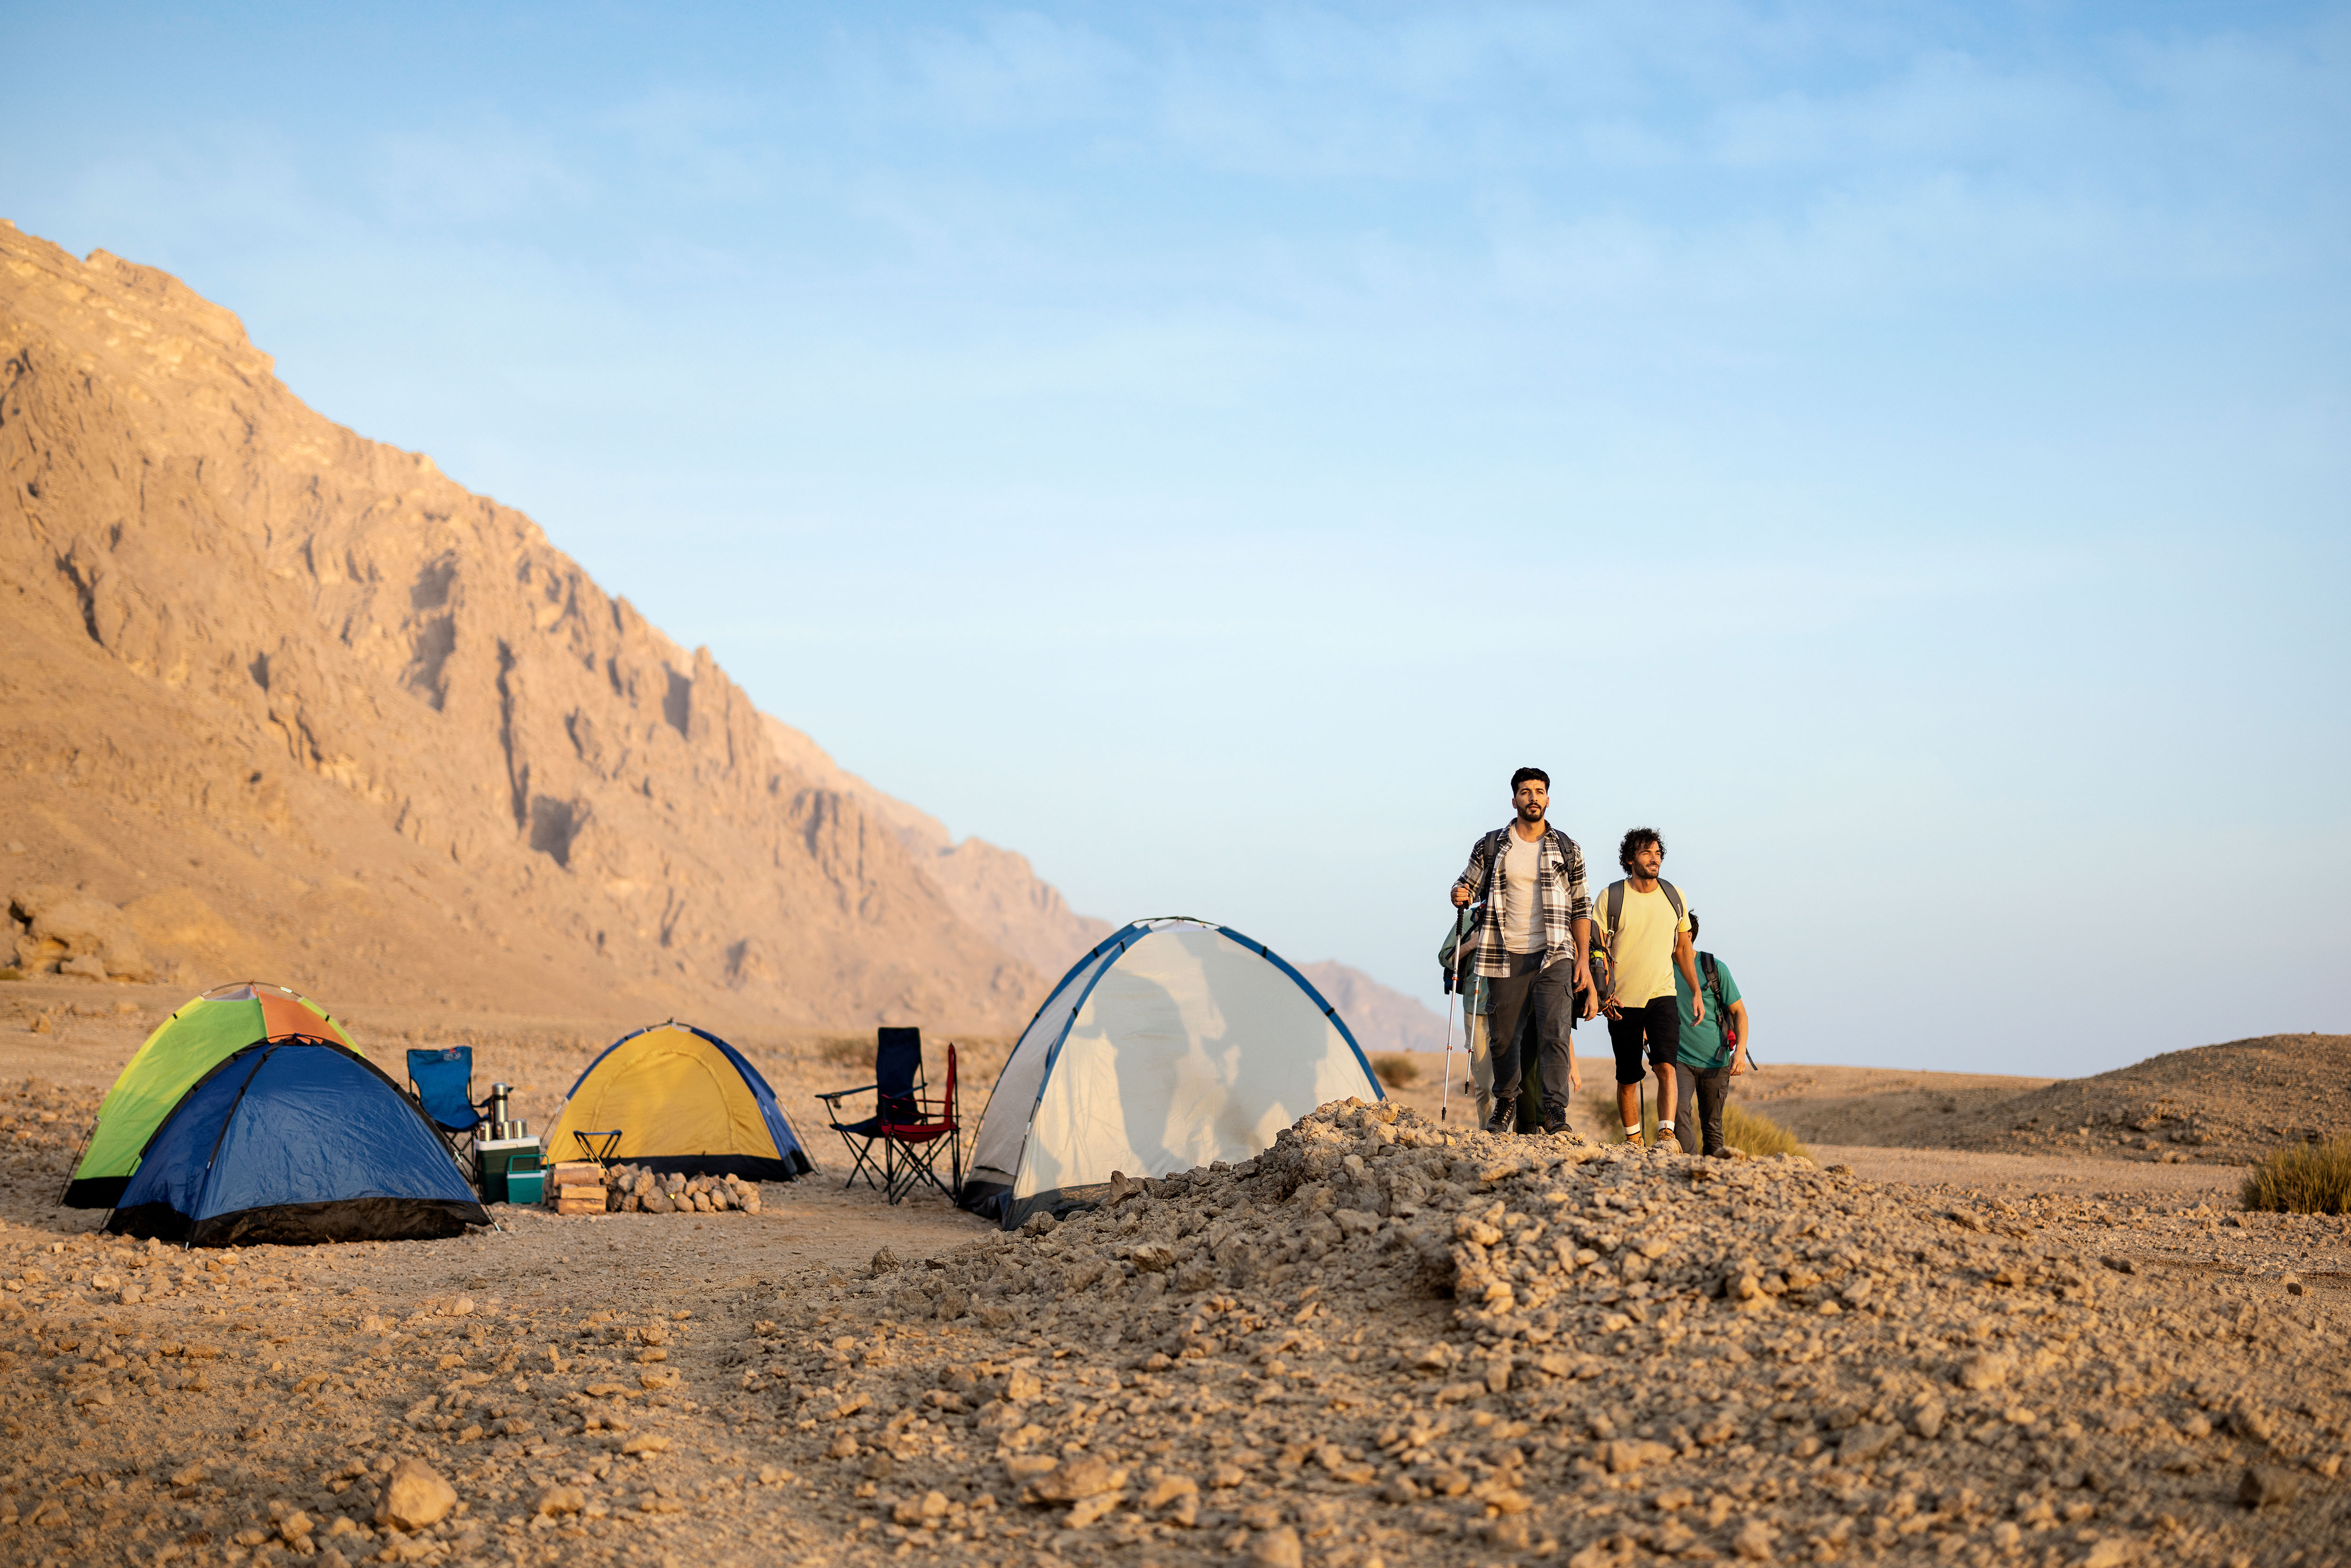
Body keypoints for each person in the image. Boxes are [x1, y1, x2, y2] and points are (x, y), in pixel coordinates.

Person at [1448, 768, 1593, 1135]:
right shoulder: (1492, 845)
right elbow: (1467, 882)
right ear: (1514, 800)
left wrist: (1584, 963)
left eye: (1539, 791)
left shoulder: (1567, 848)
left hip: (1555, 953)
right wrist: (1459, 893)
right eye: (1525, 792)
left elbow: (1581, 907)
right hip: (1503, 953)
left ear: (1548, 799)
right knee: (1504, 1038)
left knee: (1555, 1033)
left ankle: (1556, 1110)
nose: (1533, 797)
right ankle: (1507, 1101)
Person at [1591, 827, 1702, 1148]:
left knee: (1666, 1065)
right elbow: (1596, 950)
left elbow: (1683, 949)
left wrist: (1695, 990)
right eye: (1646, 853)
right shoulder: (1612, 897)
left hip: (1663, 994)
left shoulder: (1674, 896)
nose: (1654, 859)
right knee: (1627, 1077)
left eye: (1658, 853)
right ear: (1630, 860)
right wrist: (1601, 997)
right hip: (1622, 1000)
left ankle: (1666, 1134)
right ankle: (1633, 1140)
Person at [1668, 912, 1750, 1157]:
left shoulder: (1714, 968)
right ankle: (1690, 1166)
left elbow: (1739, 1013)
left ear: (1688, 935)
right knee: (1679, 1112)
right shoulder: (1661, 968)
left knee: (1713, 1127)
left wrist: (1741, 1053)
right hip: (1679, 1059)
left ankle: (1715, 1175)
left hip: (1716, 1060)